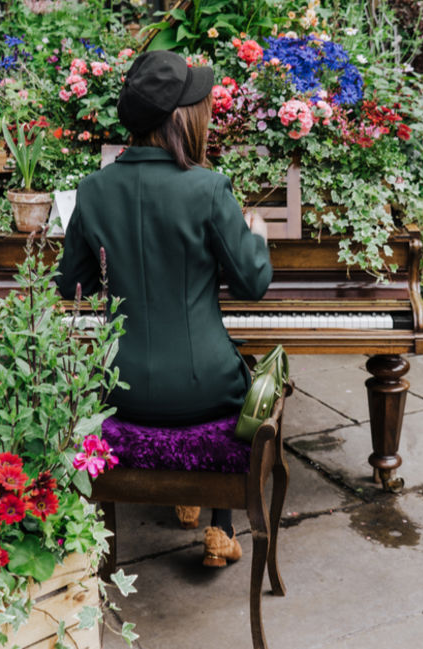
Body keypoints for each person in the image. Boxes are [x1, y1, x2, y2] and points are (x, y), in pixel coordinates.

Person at [56, 50, 272, 567]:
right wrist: (257, 235)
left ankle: (188, 505)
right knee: (246, 380)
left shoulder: (93, 190)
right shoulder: (209, 188)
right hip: (206, 390)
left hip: (120, 390)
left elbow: (70, 284)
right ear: (179, 118)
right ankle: (221, 528)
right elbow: (253, 284)